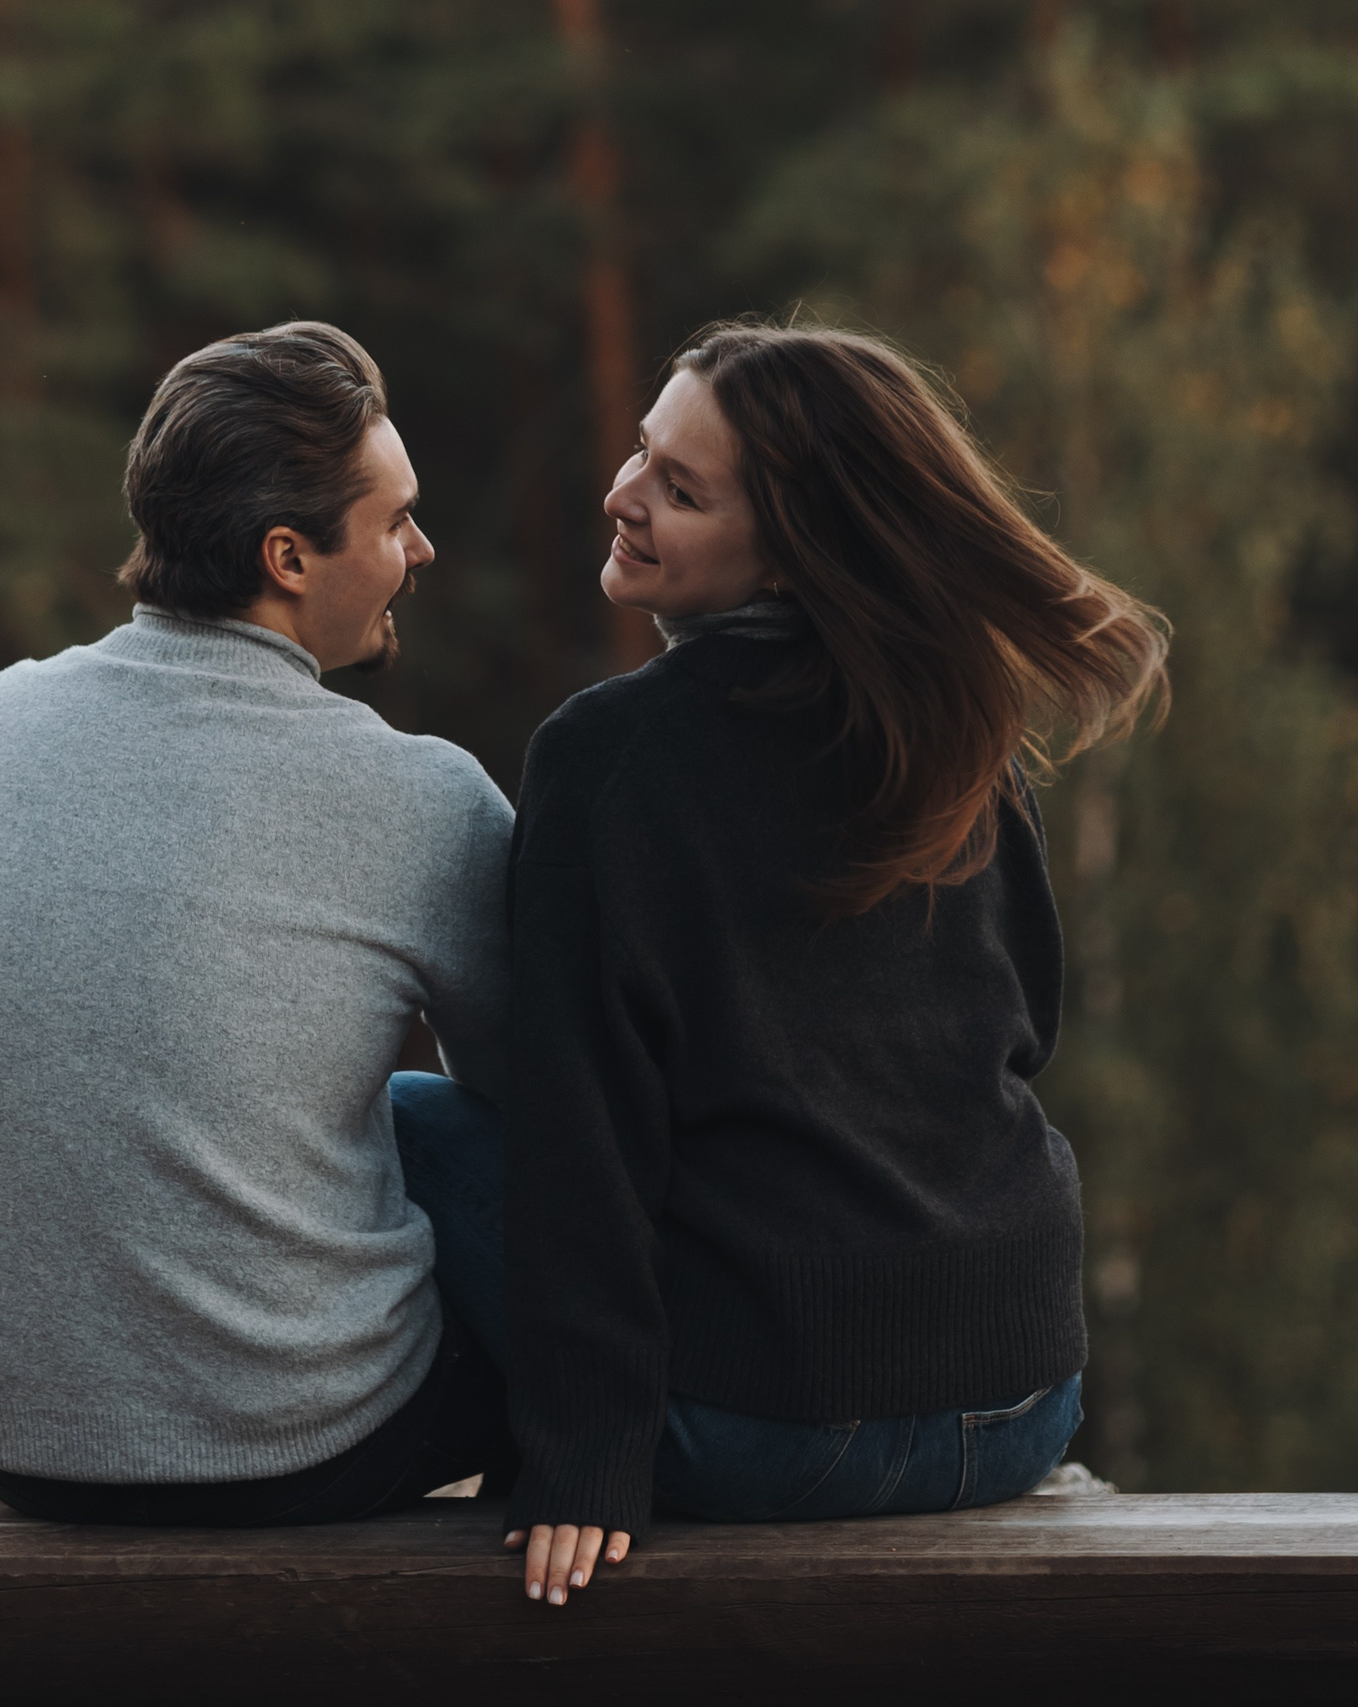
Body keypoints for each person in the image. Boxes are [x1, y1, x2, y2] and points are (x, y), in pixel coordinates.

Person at [500, 320, 1170, 1603]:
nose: (621, 495)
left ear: (794, 557)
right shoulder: (956, 729)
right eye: (644, 453)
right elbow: (1030, 1016)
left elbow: (577, 1133)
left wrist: (583, 1464)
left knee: (426, 1132)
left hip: (767, 1439)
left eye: (678, 491)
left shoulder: (605, 757)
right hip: (1023, 1402)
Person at [0, 321, 515, 1525]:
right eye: (394, 522)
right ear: (288, 555)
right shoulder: (420, 796)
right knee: (451, 1125)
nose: (421, 550)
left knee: (364, 1112)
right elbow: (538, 1104)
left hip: (8, 1438)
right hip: (303, 1444)